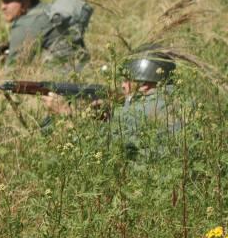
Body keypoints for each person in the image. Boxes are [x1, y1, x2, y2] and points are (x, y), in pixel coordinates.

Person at [42, 50, 183, 158]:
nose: (122, 86)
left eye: (127, 80)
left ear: (144, 84)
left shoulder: (137, 112)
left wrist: (65, 115)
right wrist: (112, 115)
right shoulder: (178, 99)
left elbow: (96, 152)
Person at [0, 0, 90, 70]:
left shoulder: (26, 24)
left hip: (61, 77)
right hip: (81, 69)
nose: (3, 7)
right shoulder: (46, 11)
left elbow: (12, 72)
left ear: (25, 2)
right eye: (2, 2)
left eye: (8, 1)